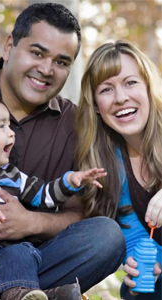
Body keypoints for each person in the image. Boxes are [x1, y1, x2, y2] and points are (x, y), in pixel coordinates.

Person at [0, 3, 126, 300]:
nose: (46, 69)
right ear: (9, 46)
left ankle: (20, 293)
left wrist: (30, 223)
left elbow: (78, 214)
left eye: (62, 62)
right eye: (37, 53)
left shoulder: (76, 124)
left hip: (27, 260)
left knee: (106, 236)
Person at [0, 93, 107, 300]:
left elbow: (44, 195)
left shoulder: (12, 175)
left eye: (9, 126)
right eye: (2, 127)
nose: (11, 134)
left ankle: (18, 292)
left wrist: (68, 182)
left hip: (5, 252)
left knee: (21, 252)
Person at [76, 39, 162, 300]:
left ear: (148, 87)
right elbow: (136, 236)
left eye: (130, 82)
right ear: (96, 107)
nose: (121, 98)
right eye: (106, 89)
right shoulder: (108, 165)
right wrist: (145, 266)